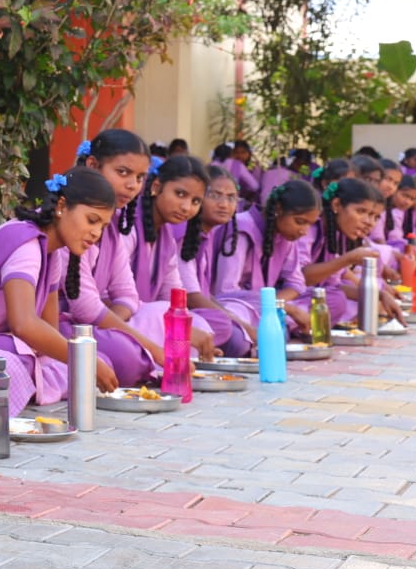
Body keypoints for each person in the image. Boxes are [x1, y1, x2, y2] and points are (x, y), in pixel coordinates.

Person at [0, 166, 122, 409]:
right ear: (61, 206)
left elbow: (48, 329)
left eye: (103, 226)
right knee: (19, 357)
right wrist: (84, 362)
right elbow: (24, 324)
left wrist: (86, 361)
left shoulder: (51, 253)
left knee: (88, 359)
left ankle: (37, 381)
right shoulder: (26, 245)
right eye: (92, 220)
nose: (96, 233)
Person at [65, 130, 167, 386]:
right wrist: (147, 345)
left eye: (140, 177)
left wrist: (115, 326)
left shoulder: (111, 227)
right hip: (61, 324)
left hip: (94, 325)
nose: (133, 185)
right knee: (127, 357)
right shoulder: (67, 221)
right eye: (123, 172)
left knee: (164, 314)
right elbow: (84, 307)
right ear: (93, 165)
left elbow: (128, 295)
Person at [301, 178, 400, 331]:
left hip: (312, 297)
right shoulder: (308, 229)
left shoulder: (337, 235)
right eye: (361, 211)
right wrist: (346, 259)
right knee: (337, 301)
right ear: (336, 205)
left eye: (375, 217)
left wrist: (379, 295)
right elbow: (301, 279)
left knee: (360, 296)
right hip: (286, 299)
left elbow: (332, 285)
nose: (369, 222)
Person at [225, 179, 319, 334]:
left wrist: (275, 305)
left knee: (321, 303)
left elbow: (295, 283)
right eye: (300, 221)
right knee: (242, 332)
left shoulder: (286, 236)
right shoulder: (241, 229)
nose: (304, 231)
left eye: (310, 224)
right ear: (279, 209)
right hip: (236, 306)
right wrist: (287, 309)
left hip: (264, 305)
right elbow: (227, 291)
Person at [180, 166, 257, 354]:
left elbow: (204, 293)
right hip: (177, 311)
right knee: (236, 337)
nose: (224, 204)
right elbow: (192, 296)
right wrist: (240, 324)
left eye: (231, 198)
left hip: (200, 312)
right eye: (215, 196)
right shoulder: (183, 234)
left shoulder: (207, 235)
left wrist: (233, 318)